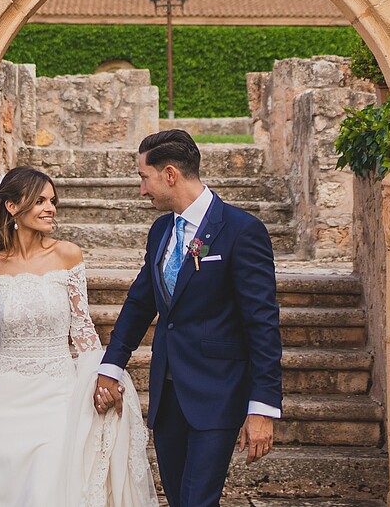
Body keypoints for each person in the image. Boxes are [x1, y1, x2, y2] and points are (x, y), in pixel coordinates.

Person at [0, 165, 158, 507]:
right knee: (4, 491)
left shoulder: (67, 255)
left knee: (47, 489)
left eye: (52, 200)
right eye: (40, 200)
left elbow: (83, 329)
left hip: (57, 393)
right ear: (12, 206)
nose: (50, 208)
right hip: (4, 398)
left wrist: (102, 377)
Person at [93, 130, 283, 507]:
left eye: (143, 178)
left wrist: (262, 406)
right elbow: (140, 302)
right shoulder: (162, 230)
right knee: (180, 499)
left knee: (198, 500)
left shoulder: (242, 231)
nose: (142, 190)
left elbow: (262, 323)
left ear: (169, 174)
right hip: (168, 396)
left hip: (218, 391)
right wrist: (111, 364)